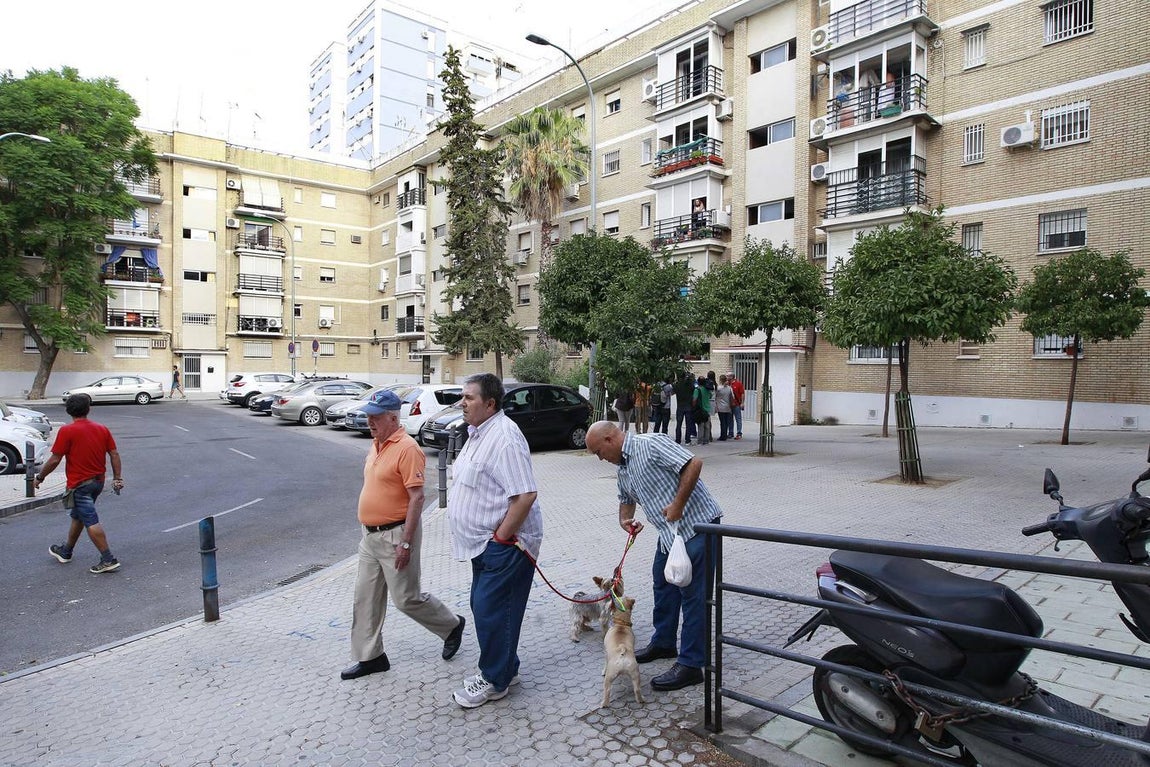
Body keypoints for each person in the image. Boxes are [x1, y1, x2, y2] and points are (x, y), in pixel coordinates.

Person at [585, 421, 722, 692]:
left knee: (693, 596)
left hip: (697, 526)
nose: (600, 459)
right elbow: (626, 498)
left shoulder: (650, 444)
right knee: (662, 583)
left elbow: (693, 464)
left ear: (610, 439)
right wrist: (625, 520)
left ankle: (691, 665)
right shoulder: (623, 467)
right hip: (670, 535)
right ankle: (664, 643)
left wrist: (678, 504)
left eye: (599, 452)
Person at [341, 389, 466, 681]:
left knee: (406, 598)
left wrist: (406, 543)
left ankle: (451, 625)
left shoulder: (407, 448)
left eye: (375, 417)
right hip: (370, 537)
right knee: (365, 598)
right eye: (368, 416)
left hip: (396, 535)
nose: (369, 421)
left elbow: (417, 498)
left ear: (393, 418)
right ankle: (371, 657)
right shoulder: (377, 444)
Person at [447, 372, 544, 708]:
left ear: (489, 404)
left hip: (506, 545)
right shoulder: (478, 433)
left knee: (491, 610)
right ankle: (505, 667)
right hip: (483, 543)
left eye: (468, 397)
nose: (462, 403)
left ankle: (494, 680)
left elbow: (525, 495)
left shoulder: (504, 437)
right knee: (488, 607)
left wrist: (501, 538)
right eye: (462, 397)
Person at [37, 393, 124, 574]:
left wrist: (40, 477)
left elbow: (55, 459)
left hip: (79, 484)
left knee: (90, 519)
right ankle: (66, 551)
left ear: (68, 411)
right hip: (98, 482)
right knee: (78, 516)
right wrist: (117, 478)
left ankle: (108, 559)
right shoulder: (101, 429)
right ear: (88, 409)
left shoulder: (67, 431)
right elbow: (114, 454)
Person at [673, 372, 697, 445]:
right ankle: (687, 440)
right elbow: (693, 389)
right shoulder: (689, 385)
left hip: (680, 406)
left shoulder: (677, 385)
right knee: (688, 424)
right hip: (688, 406)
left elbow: (674, 390)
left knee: (678, 424)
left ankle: (678, 440)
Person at [692, 376, 712, 445]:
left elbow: (694, 400)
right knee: (707, 426)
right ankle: (706, 440)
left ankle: (700, 441)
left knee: (701, 426)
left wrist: (693, 407)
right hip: (707, 409)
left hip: (700, 409)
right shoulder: (707, 389)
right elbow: (710, 396)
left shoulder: (697, 390)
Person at [715, 375, 733, 441]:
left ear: (720, 380)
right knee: (726, 422)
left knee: (722, 422)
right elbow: (731, 398)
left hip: (720, 407)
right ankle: (725, 434)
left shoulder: (718, 388)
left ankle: (723, 436)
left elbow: (715, 396)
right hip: (727, 407)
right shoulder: (729, 388)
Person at [728, 371, 745, 441]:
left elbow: (742, 393)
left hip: (737, 404)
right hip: (729, 405)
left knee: (738, 419)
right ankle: (730, 432)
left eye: (728, 376)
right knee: (730, 419)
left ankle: (739, 433)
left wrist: (742, 403)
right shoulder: (727, 384)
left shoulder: (738, 384)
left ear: (732, 376)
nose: (727, 377)